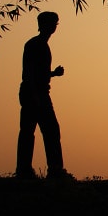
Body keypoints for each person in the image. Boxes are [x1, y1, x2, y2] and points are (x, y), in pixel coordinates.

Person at [16, 11, 73, 180]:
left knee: (41, 131)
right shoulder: (35, 45)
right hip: (34, 93)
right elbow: (29, 72)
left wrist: (53, 74)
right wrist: (34, 94)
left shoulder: (40, 44)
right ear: (43, 25)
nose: (54, 26)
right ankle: (48, 170)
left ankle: (31, 170)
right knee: (44, 131)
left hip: (37, 92)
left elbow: (38, 73)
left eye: (56, 22)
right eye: (52, 22)